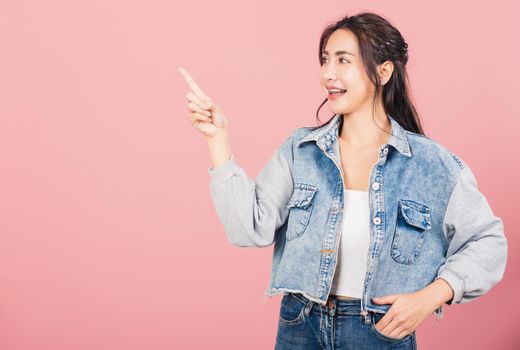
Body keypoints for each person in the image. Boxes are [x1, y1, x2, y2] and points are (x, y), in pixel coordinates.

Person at [179, 11, 508, 350]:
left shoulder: (431, 165)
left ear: (383, 72)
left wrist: (431, 297)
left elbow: (489, 242)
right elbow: (248, 228)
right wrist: (217, 141)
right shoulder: (301, 151)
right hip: (300, 325)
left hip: (380, 331)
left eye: (342, 60)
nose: (327, 74)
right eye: (325, 60)